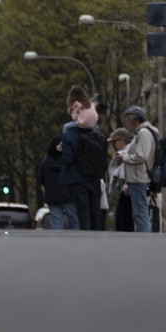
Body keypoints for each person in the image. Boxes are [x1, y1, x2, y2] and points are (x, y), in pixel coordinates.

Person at [60, 88, 105, 230]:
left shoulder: (69, 133)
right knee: (95, 212)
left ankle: (87, 243)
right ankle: (97, 239)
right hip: (95, 177)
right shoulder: (98, 135)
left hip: (78, 178)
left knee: (83, 212)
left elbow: (67, 158)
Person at [117, 105, 157, 233]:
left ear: (134, 118)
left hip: (139, 177)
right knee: (139, 211)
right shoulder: (145, 132)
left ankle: (143, 239)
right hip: (138, 177)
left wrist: (125, 158)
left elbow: (141, 155)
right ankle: (142, 236)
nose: (128, 122)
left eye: (129, 118)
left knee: (140, 212)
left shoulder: (144, 133)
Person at [36, 135, 75, 229]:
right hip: (68, 195)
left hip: (52, 196)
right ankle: (77, 239)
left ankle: (58, 239)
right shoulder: (69, 161)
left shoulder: (46, 162)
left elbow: (40, 179)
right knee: (74, 218)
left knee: (57, 220)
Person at [107, 128, 134, 232]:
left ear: (122, 140)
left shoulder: (128, 152)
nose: (114, 145)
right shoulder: (119, 154)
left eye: (115, 142)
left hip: (128, 188)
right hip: (123, 189)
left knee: (124, 217)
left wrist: (127, 185)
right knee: (122, 217)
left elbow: (128, 170)